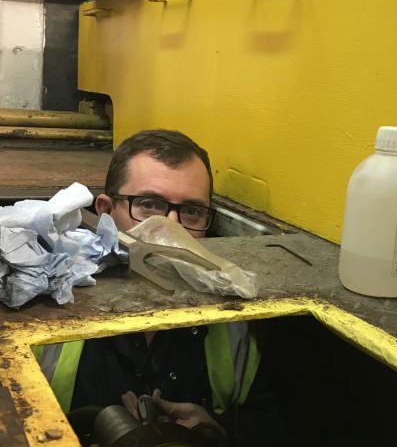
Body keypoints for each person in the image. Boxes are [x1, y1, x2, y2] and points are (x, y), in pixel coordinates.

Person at [38, 130, 285, 446]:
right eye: (149, 205)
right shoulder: (48, 307)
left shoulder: (231, 323)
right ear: (105, 212)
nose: (171, 229)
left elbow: (269, 425)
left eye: (192, 211)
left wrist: (215, 430)